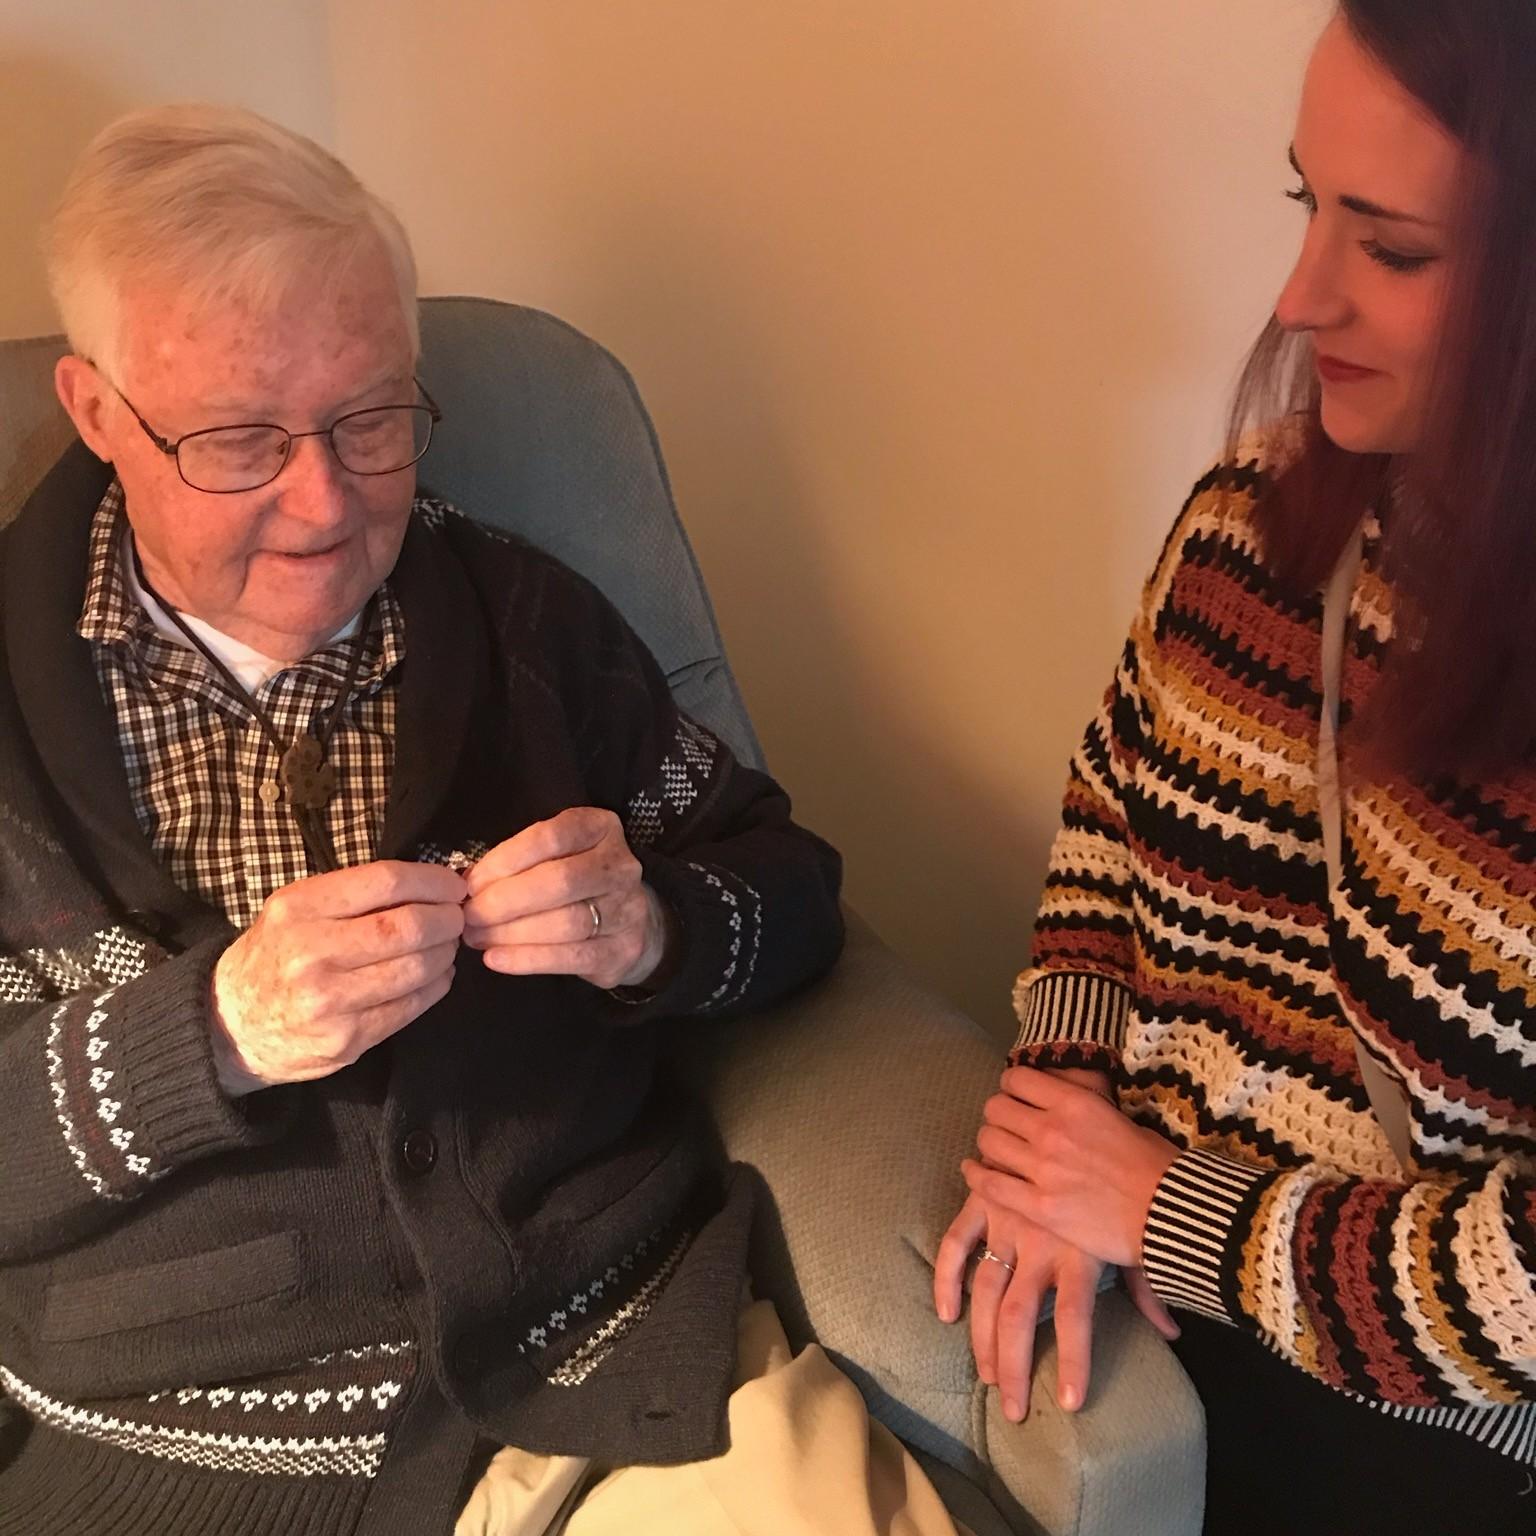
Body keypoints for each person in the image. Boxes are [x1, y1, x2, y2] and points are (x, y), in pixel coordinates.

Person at [0, 106, 967, 1536]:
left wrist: (653, 926)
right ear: (99, 413)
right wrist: (206, 1035)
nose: (328, 502)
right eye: (242, 440)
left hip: (608, 1368)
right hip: (184, 1441)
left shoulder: (522, 616)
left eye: (371, 417)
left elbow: (791, 890)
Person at [935, 4, 1536, 1533]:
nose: (1299, 296)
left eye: (1392, 248)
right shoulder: (1256, 527)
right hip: (1158, 1301)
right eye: (1306, 202)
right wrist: (1056, 1099)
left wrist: (1162, 1210)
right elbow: (1110, 812)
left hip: (1431, 1434)